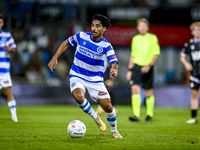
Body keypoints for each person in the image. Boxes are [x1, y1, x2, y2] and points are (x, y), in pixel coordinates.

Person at [48, 14, 122, 138]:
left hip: (95, 80)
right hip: (77, 74)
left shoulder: (106, 46)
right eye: (93, 25)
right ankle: (95, 116)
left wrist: (114, 69)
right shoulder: (81, 36)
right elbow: (66, 42)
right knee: (78, 96)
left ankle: (114, 130)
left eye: (98, 26)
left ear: (104, 29)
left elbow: (114, 62)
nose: (94, 28)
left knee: (108, 107)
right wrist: (55, 57)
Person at [126, 18, 160, 122]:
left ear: (147, 27)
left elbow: (156, 53)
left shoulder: (153, 38)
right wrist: (130, 69)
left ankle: (149, 114)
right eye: (140, 25)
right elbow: (133, 55)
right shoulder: (135, 39)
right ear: (137, 27)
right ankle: (136, 115)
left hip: (148, 67)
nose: (142, 27)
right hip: (136, 66)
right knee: (135, 90)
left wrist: (149, 65)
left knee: (148, 92)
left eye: (144, 25)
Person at [180, 21, 200, 124]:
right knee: (194, 94)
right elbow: (182, 56)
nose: (198, 31)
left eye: (199, 29)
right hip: (195, 74)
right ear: (192, 32)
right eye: (195, 30)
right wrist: (186, 64)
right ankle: (193, 117)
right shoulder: (189, 44)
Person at [0, 14, 18, 122]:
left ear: (3, 23)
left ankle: (14, 115)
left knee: (8, 91)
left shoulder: (7, 35)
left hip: (4, 70)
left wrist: (10, 49)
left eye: (1, 22)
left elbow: (14, 50)